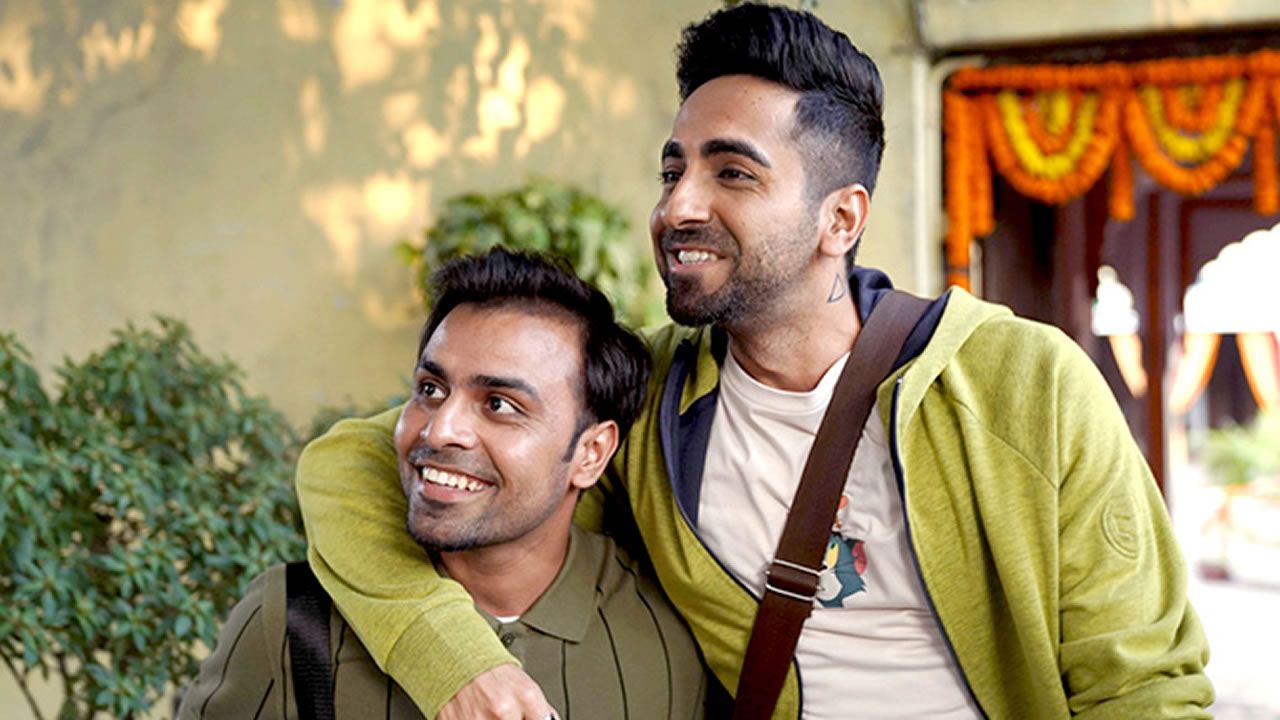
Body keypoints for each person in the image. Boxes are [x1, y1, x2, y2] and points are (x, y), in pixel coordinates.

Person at [295, 4, 1214, 719]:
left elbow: (1143, 684)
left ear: (840, 219)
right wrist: (453, 658)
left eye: (731, 173)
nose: (677, 207)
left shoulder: (1024, 384)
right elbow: (350, 467)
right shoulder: (648, 409)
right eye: (673, 171)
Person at [179, 249, 709, 720]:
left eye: (499, 404)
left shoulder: (666, 644)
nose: (439, 430)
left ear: (591, 453)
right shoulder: (288, 621)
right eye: (431, 389)